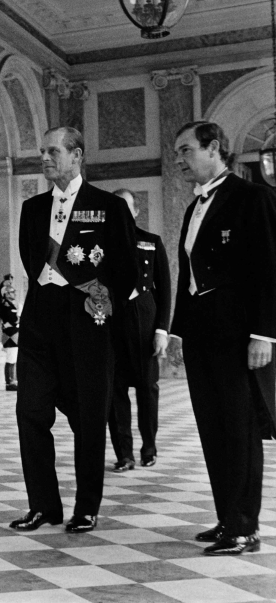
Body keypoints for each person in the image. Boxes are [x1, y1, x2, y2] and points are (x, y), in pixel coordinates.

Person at [12, 126, 137, 535]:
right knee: (30, 412)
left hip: (87, 326)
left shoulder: (107, 207)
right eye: (41, 151)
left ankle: (86, 506)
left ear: (77, 155)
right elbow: (32, 261)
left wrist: (100, 305)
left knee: (87, 419)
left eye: (52, 151)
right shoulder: (32, 209)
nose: (44, 158)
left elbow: (126, 273)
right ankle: (43, 506)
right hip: (39, 323)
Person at [169, 120, 276, 555]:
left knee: (240, 428)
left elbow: (270, 268)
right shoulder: (194, 206)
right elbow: (187, 275)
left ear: (215, 148)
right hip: (201, 333)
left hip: (237, 333)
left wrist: (264, 334)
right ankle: (226, 517)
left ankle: (245, 526)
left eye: (186, 150)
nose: (179, 160)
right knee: (212, 428)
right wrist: (178, 332)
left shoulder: (252, 197)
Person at [107, 189, 170, 473]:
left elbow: (165, 290)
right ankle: (124, 454)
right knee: (115, 391)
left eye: (126, 207)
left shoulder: (151, 241)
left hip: (145, 319)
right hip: (112, 322)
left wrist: (162, 330)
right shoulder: (101, 244)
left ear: (135, 211)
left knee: (147, 389)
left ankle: (149, 449)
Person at [0, 274, 20, 391]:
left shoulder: (11, 304)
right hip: (10, 335)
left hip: (14, 334)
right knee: (10, 359)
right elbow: (13, 319)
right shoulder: (4, 304)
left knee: (13, 359)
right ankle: (9, 382)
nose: (14, 294)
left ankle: (12, 380)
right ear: (6, 293)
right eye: (12, 292)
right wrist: (3, 283)